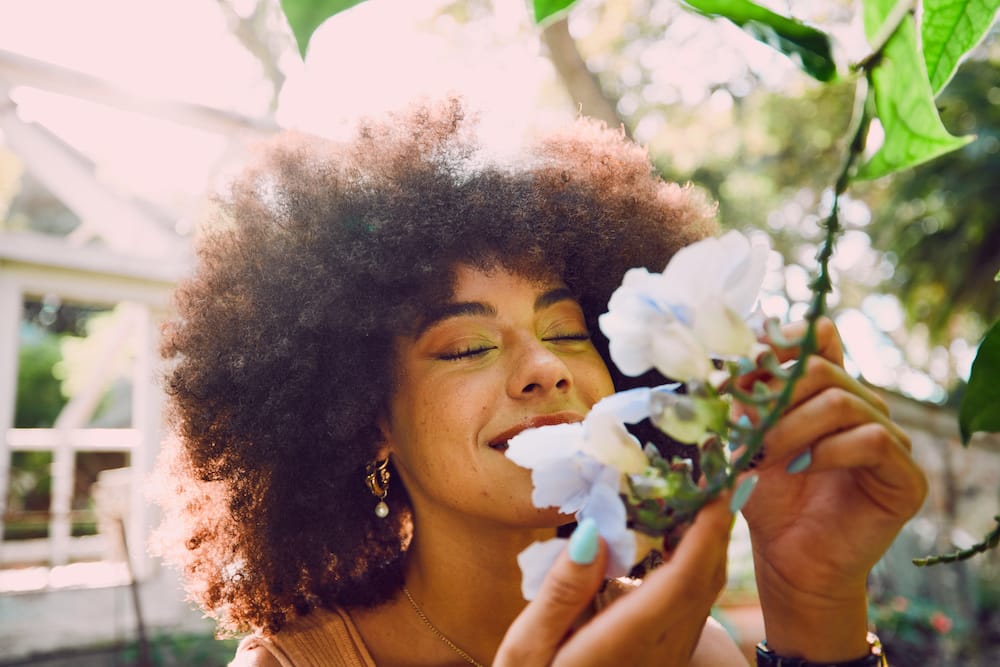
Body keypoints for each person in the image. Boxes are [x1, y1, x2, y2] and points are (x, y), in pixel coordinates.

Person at [152, 96, 927, 666]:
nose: (548, 367)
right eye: (466, 347)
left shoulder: (689, 647)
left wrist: (815, 605)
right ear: (365, 416)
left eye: (566, 332)